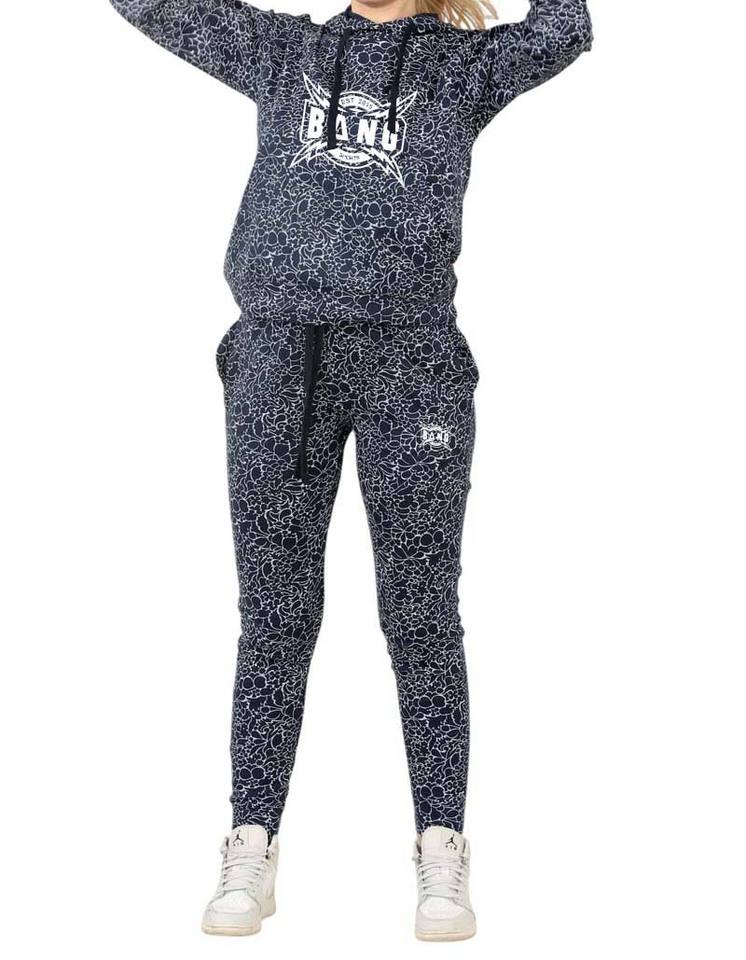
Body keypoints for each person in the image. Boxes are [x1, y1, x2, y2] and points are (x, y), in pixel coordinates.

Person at [109, 0, 592, 941]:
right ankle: (251, 840)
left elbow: (564, 28)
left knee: (421, 611)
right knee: (274, 612)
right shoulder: (284, 48)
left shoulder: (463, 68)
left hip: (413, 364)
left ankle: (442, 846)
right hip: (277, 361)